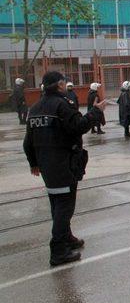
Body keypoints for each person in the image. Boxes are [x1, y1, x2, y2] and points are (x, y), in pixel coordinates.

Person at [23, 71, 107, 266]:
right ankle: (58, 251)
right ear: (60, 84)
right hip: (63, 162)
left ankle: (67, 237)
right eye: (63, 82)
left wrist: (33, 162)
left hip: (46, 164)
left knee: (57, 203)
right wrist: (96, 112)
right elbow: (78, 126)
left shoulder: (34, 108)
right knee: (64, 207)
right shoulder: (62, 105)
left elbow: (28, 141)